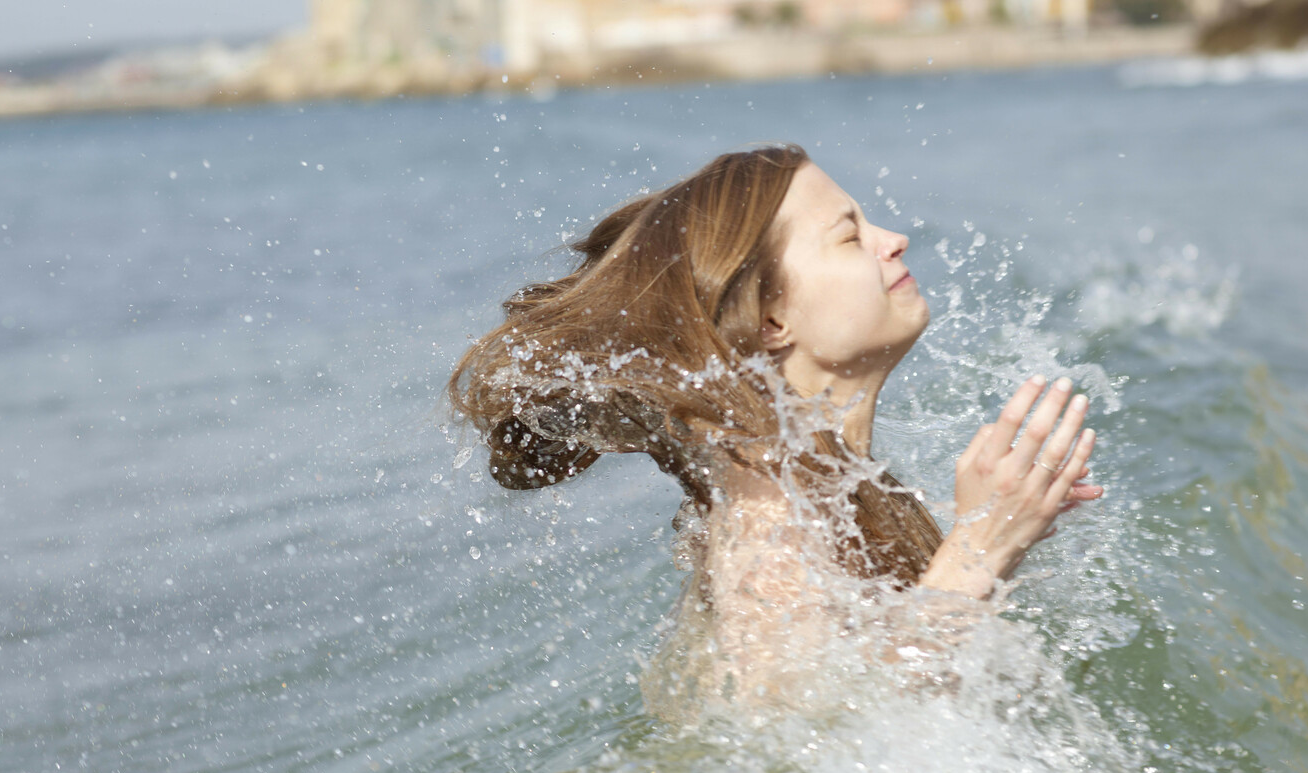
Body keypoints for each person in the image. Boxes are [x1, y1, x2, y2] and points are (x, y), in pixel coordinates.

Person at [450, 144, 1102, 715]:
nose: (894, 238)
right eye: (849, 236)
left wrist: (1011, 525)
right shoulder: (769, 532)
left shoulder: (820, 487)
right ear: (769, 320)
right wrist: (977, 551)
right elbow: (805, 750)